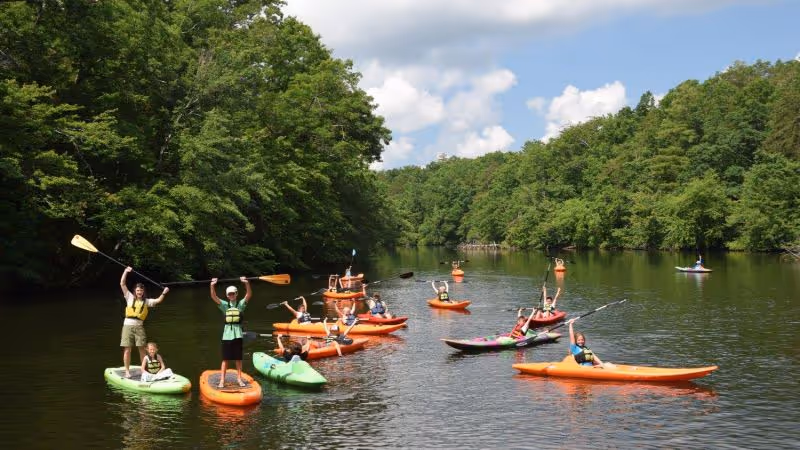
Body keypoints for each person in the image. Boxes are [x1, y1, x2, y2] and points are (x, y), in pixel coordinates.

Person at [119, 267, 169, 378]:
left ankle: (143, 371)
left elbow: (158, 300)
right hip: (127, 326)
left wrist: (164, 293)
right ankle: (127, 371)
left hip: (139, 327)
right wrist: (126, 271)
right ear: (135, 291)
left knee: (142, 349)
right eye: (137, 291)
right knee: (127, 349)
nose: (139, 292)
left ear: (143, 292)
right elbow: (122, 283)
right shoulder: (129, 297)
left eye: (141, 291)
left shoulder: (147, 301)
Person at [210, 277, 252, 388]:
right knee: (225, 359)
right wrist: (212, 285)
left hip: (238, 335)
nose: (231, 296)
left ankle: (239, 379)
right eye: (229, 294)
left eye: (233, 294)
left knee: (238, 359)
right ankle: (222, 380)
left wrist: (246, 283)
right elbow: (214, 297)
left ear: (236, 294)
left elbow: (248, 295)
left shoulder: (241, 305)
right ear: (227, 295)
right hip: (227, 336)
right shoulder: (224, 305)